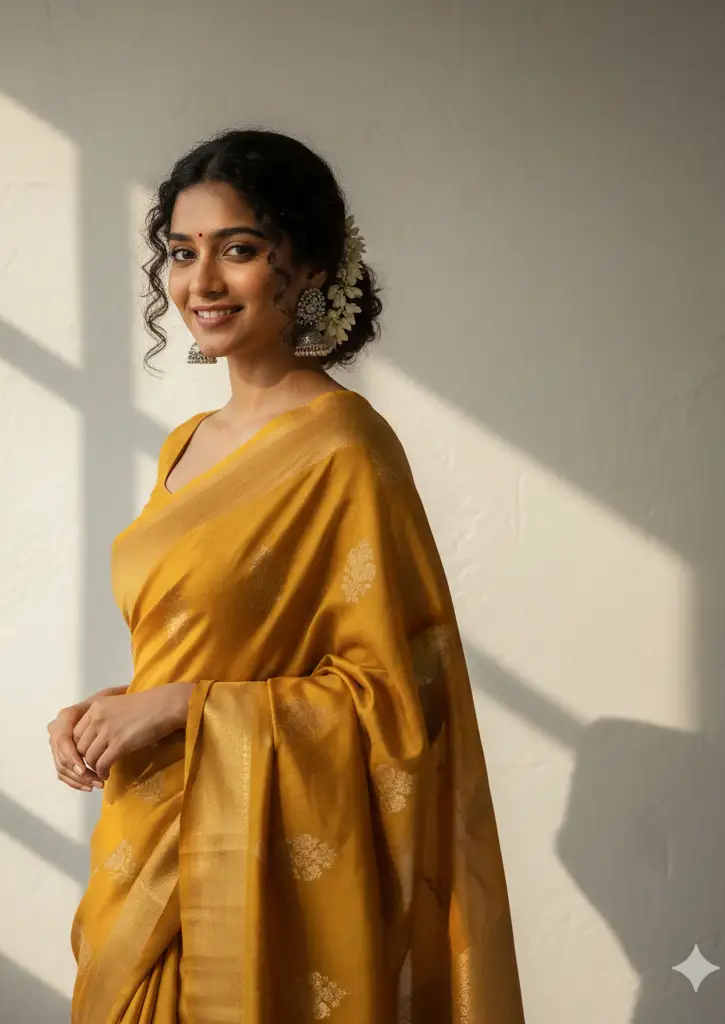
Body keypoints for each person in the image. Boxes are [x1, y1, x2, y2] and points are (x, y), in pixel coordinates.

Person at [48, 128, 526, 1023]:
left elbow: (394, 701)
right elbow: (201, 641)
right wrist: (114, 710)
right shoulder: (184, 446)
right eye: (181, 253)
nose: (202, 282)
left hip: (246, 867)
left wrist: (183, 708)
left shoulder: (345, 446)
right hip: (144, 833)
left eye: (237, 249)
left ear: (308, 267)